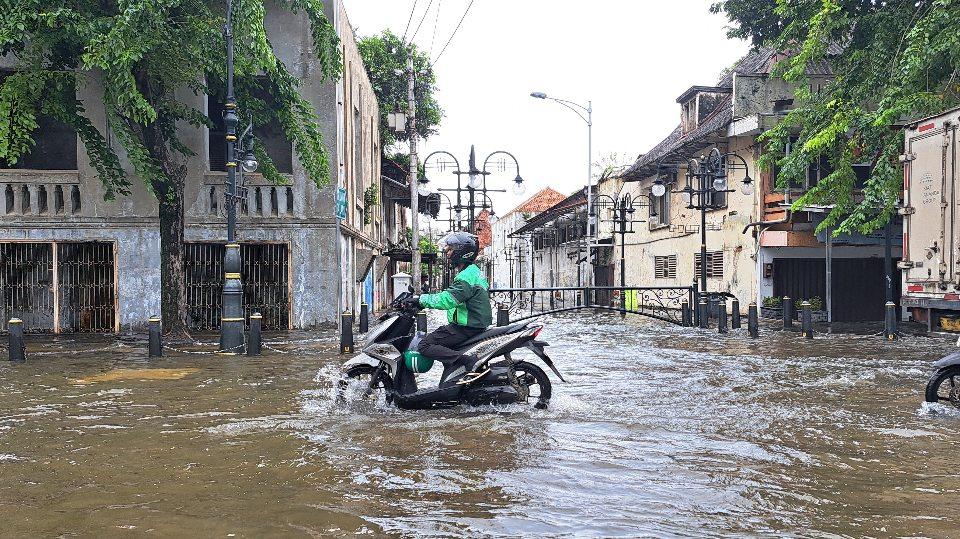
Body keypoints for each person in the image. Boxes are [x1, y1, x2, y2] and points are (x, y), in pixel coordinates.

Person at [412, 231, 492, 385]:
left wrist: (420, 300)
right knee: (444, 352)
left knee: (425, 345)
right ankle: (452, 383)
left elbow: (447, 300)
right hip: (472, 325)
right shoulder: (472, 272)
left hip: (466, 327)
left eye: (451, 249)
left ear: (462, 251)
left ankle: (466, 362)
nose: (447, 253)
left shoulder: (465, 277)